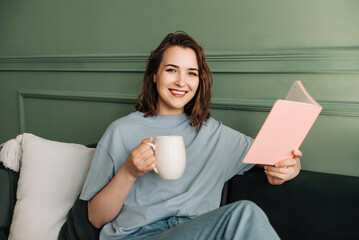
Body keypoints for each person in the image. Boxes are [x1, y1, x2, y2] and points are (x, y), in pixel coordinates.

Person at [79, 31, 302, 240]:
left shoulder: (215, 134)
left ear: (199, 81)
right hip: (138, 235)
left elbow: (276, 154)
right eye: (171, 70)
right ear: (154, 75)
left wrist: (291, 167)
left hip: (200, 231)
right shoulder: (121, 131)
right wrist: (128, 172)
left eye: (191, 73)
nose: (181, 82)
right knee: (244, 213)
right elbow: (95, 218)